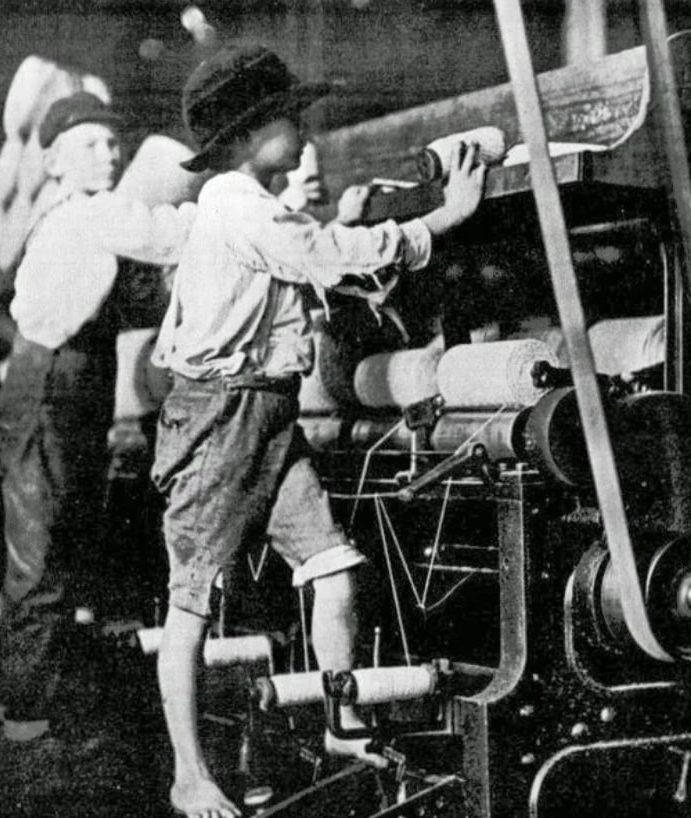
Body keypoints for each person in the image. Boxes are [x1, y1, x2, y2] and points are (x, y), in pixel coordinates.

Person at [151, 43, 487, 818]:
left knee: (332, 565)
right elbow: (326, 255)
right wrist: (442, 218)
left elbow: (319, 265)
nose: (304, 131)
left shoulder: (254, 205)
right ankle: (188, 774)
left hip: (266, 411)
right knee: (191, 602)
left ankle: (341, 725)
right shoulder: (236, 203)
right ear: (242, 137)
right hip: (220, 416)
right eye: (289, 118)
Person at [0, 91, 196, 743]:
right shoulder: (93, 214)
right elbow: (171, 235)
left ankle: (14, 698)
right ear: (52, 161)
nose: (110, 154)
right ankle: (26, 723)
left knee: (51, 538)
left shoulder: (66, 218)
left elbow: (122, 299)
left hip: (63, 376)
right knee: (45, 545)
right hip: (54, 378)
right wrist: (239, 205)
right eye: (91, 146)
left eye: (112, 144)